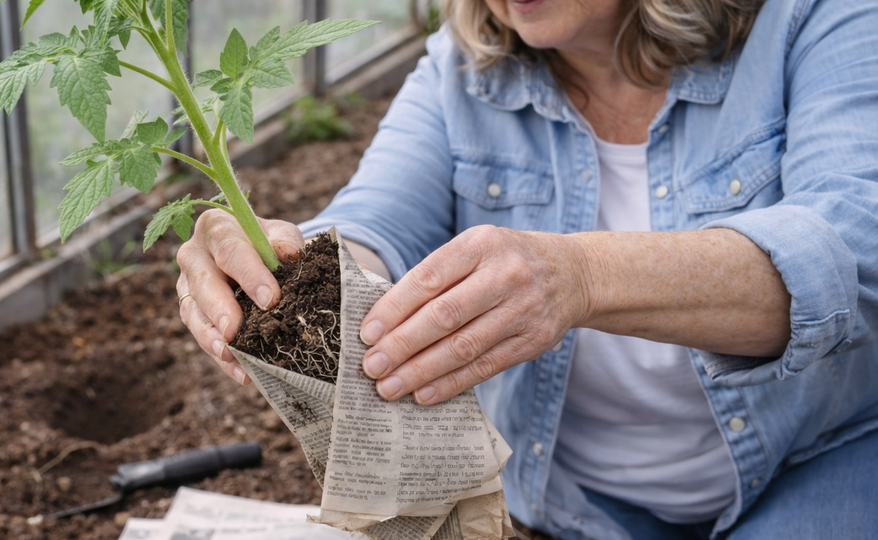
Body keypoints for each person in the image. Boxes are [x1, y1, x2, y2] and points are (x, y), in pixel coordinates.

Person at [175, 0, 878, 537]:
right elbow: (373, 226)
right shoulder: (462, 72)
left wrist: (581, 276)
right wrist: (281, 269)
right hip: (579, 507)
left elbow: (852, 253)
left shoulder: (816, 21)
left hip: (814, 471)